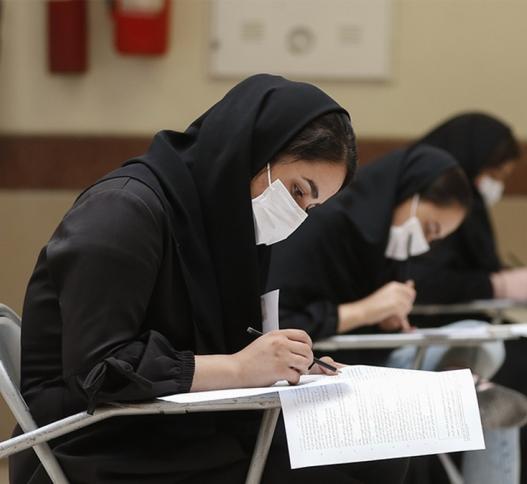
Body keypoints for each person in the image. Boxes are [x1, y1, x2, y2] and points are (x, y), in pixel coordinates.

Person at [10, 74, 409, 484]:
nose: (298, 214)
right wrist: (239, 367)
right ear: (253, 152)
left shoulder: (223, 227)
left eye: (311, 206)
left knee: (380, 456)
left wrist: (291, 365)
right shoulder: (122, 210)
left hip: (176, 422)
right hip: (92, 439)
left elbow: (224, 345)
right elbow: (99, 369)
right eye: (296, 191)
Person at [267, 145, 527, 484]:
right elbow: (280, 324)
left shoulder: (387, 244)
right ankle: (466, 383)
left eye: (436, 239)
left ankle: (466, 382)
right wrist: (366, 310)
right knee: (470, 399)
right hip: (329, 365)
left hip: (378, 357)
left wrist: (388, 319)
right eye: (429, 228)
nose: (426, 243)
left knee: (484, 339)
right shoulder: (325, 225)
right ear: (406, 194)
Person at [410, 112, 527, 484]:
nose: (495, 186)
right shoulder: (430, 196)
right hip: (424, 331)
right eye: (495, 174)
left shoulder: (465, 201)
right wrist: (498, 285)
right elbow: (424, 279)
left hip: (462, 327)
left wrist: (502, 281)